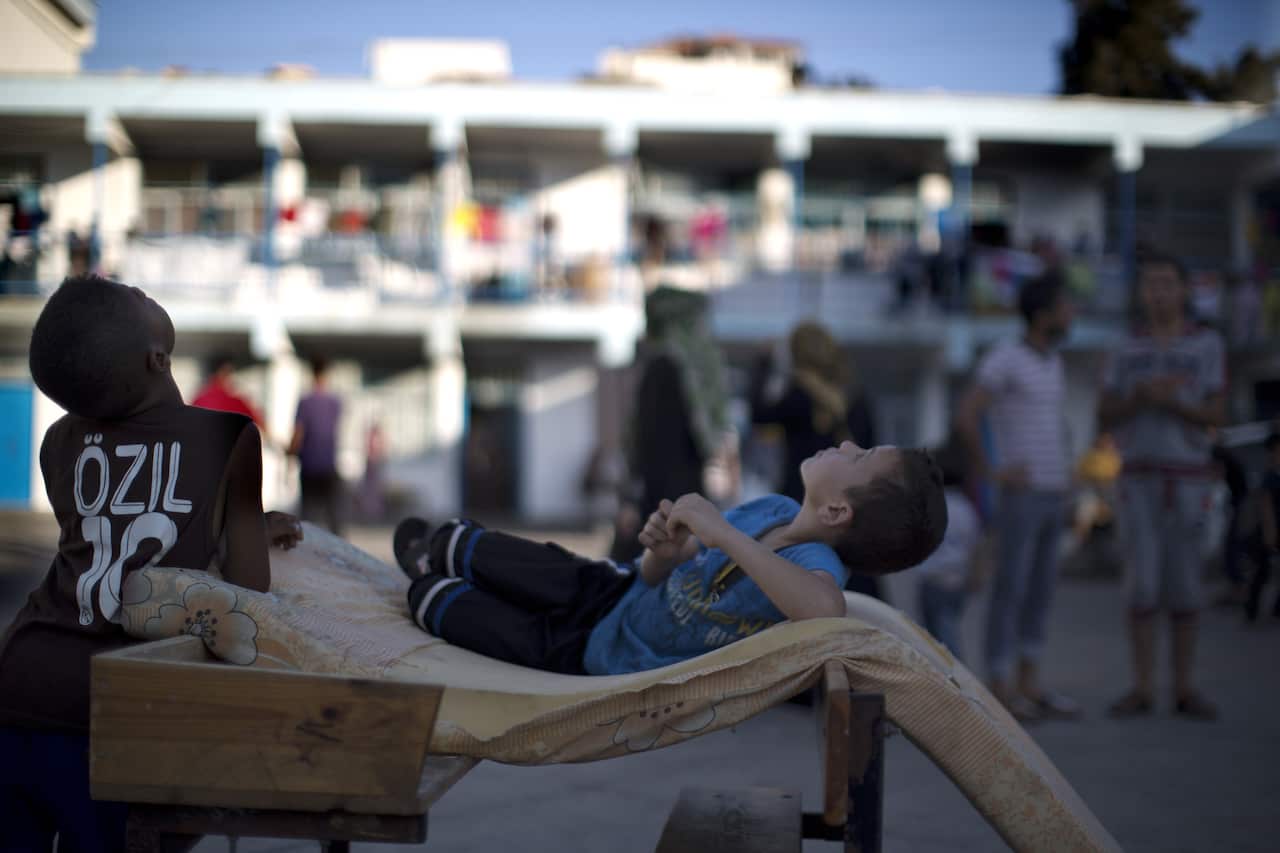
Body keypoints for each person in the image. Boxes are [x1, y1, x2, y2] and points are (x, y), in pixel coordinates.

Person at [0, 274, 301, 851]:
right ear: (157, 357)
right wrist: (249, 530)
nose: (141, 291)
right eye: (137, 295)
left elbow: (103, 536)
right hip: (121, 704)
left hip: (19, 679)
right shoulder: (229, 436)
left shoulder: (58, 442)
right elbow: (246, 590)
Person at [393, 442, 946, 675]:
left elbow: (826, 608)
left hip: (601, 660)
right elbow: (662, 573)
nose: (847, 446)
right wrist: (669, 552)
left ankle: (428, 582)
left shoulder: (819, 566)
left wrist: (720, 532)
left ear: (834, 514)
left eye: (861, 457)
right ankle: (439, 550)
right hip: (618, 592)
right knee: (537, 564)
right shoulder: (773, 508)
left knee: (445, 607)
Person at [1099, 251, 1226, 720]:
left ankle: (1186, 687)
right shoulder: (1124, 347)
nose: (1158, 293)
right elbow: (1104, 413)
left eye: (1167, 283)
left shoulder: (1207, 345)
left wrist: (1173, 402)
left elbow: (1217, 414)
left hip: (1188, 477)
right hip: (1138, 477)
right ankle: (1143, 686)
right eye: (1151, 284)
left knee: (1186, 585)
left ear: (1184, 290)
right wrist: (1138, 398)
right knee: (1141, 586)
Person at [958, 270, 1080, 721]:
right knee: (1010, 587)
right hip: (1021, 494)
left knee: (1042, 590)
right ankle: (1000, 684)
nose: (1072, 314)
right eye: (1066, 306)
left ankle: (1030, 681)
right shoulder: (1005, 358)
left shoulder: (1054, 362)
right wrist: (992, 472)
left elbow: (1054, 426)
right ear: (1044, 313)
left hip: (1054, 490)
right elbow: (967, 414)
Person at [750, 321, 880, 598]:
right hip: (853, 515)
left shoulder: (799, 395)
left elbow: (759, 415)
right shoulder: (856, 398)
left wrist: (762, 363)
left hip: (804, 509)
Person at [617, 287, 730, 559]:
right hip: (676, 499)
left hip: (663, 500)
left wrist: (632, 496)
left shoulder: (663, 365)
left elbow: (644, 441)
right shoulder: (690, 370)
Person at [915, 438, 983, 660]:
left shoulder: (933, 507)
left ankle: (953, 674)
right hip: (956, 581)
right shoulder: (967, 509)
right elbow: (974, 544)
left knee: (934, 635)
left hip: (933, 580)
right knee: (948, 628)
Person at [289, 357, 344, 535]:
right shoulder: (335, 402)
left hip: (309, 463)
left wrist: (290, 454)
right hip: (328, 462)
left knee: (307, 516)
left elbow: (298, 433)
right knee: (333, 517)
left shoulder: (305, 402)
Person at [1245, 432, 1280, 622]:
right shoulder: (1270, 476)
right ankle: (1251, 608)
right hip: (1270, 530)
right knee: (1262, 571)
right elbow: (1266, 507)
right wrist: (1269, 532)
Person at [191, 354, 265, 428]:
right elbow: (262, 424)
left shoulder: (198, 399)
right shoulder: (235, 400)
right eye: (230, 371)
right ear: (223, 371)